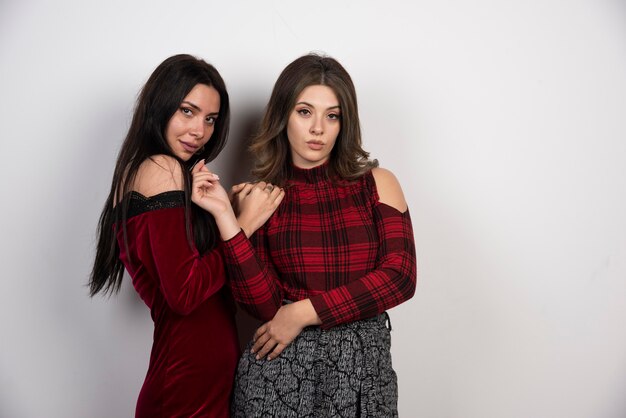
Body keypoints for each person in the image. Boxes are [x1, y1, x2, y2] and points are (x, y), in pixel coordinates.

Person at [192, 53, 417, 417]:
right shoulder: (261, 197)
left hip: (361, 375)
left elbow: (400, 277)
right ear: (283, 115)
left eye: (332, 116)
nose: (318, 129)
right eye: (304, 112)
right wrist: (229, 221)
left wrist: (301, 313)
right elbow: (263, 305)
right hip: (279, 373)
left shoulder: (377, 184)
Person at [89, 54, 283, 417]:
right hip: (183, 389)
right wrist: (242, 225)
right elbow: (184, 293)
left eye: (210, 119)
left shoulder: (170, 175)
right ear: (159, 107)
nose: (200, 131)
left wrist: (223, 216)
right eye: (187, 111)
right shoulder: (159, 168)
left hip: (198, 385)